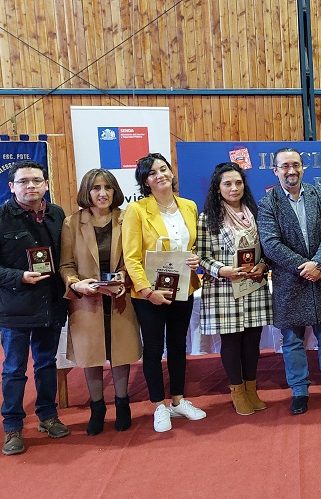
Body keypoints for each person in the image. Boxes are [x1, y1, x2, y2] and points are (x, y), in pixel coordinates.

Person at [122, 153, 206, 432]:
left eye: (163, 168)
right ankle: (158, 405)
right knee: (155, 349)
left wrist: (195, 259)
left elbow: (192, 246)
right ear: (145, 181)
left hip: (183, 287)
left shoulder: (189, 206)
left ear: (171, 172)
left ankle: (179, 401)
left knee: (179, 345)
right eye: (152, 172)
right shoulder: (136, 211)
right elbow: (131, 257)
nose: (160, 175)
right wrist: (146, 291)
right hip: (150, 294)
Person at [258, 147, 321, 414]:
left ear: (303, 167)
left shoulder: (318, 194)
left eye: (295, 165)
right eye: (284, 166)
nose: (291, 170)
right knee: (293, 341)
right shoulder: (268, 203)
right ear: (276, 171)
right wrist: (302, 266)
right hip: (289, 282)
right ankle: (299, 391)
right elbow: (270, 244)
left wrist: (318, 263)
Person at [60, 169, 141, 435]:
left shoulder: (127, 217)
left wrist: (125, 278)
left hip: (119, 297)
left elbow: (135, 257)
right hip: (87, 300)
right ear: (87, 192)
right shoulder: (72, 223)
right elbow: (66, 264)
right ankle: (97, 408)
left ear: (115, 190)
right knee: (92, 355)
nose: (102, 193)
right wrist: (75, 283)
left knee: (121, 353)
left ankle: (122, 404)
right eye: (96, 188)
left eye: (107, 187)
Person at [0, 161, 69, 456]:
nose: (31, 186)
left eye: (37, 181)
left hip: (51, 305)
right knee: (14, 369)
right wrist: (19, 277)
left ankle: (47, 416)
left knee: (46, 364)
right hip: (15, 307)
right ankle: (12, 427)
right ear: (11, 186)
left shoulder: (56, 214)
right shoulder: (1, 217)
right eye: (24, 181)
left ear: (46, 185)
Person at [197, 162, 273, 415]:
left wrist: (263, 265)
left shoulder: (257, 212)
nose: (234, 188)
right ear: (218, 189)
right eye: (227, 183)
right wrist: (222, 270)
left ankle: (252, 389)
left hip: (253, 284)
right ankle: (237, 391)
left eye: (238, 183)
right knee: (231, 342)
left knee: (252, 341)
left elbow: (269, 248)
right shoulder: (208, 218)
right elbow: (202, 257)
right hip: (224, 288)